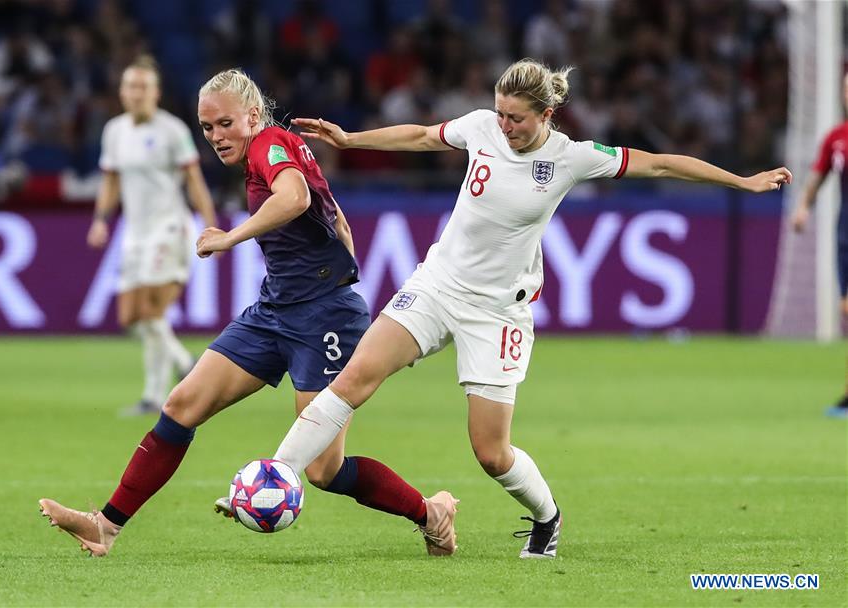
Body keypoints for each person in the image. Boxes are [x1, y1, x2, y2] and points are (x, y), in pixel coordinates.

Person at [273, 58, 793, 559]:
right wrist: (351, 139)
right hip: (437, 285)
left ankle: (547, 517)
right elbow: (423, 135)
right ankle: (275, 477)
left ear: (546, 115)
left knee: (491, 452)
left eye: (515, 117)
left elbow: (659, 163)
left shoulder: (572, 157)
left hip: (498, 312)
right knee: (354, 379)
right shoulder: (481, 127)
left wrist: (741, 181)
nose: (504, 125)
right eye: (500, 113)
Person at [39, 68, 458, 558]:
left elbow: (296, 196)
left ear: (253, 116)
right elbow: (330, 211)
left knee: (324, 470)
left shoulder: (269, 143)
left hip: (322, 319)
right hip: (275, 308)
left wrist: (229, 238)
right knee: (181, 406)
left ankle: (431, 513)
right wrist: (337, 251)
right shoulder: (270, 150)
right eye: (207, 128)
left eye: (224, 124)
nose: (216, 136)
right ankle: (104, 527)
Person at [87, 55, 217, 416]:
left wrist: (210, 222)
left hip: (168, 228)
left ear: (156, 92)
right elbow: (110, 180)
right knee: (131, 316)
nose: (137, 93)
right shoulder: (114, 131)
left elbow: (194, 180)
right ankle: (183, 360)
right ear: (122, 91)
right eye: (131, 86)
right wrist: (100, 219)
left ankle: (153, 395)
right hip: (134, 233)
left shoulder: (172, 130)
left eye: (144, 86)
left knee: (151, 309)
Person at [790, 73, 848, 418]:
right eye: (845, 87)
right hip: (845, 236)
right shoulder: (836, 138)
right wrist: (802, 208)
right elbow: (817, 178)